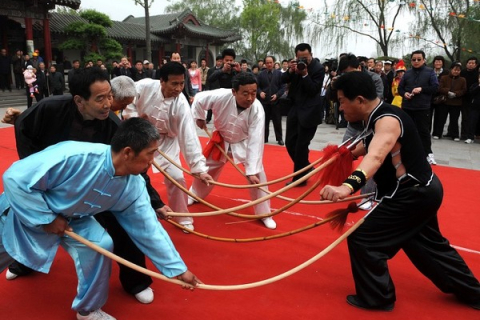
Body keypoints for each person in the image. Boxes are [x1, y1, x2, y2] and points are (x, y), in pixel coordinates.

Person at [0, 117, 201, 320]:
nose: (152, 162)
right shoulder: (73, 155)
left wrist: (178, 269)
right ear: (128, 152)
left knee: (101, 245)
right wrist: (46, 218)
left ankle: (88, 309)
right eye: (150, 154)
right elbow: (14, 178)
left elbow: (148, 229)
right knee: (4, 248)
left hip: (74, 218)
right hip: (27, 207)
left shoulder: (134, 186)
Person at [320, 71, 480, 312]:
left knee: (364, 239)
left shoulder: (387, 120)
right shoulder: (378, 115)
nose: (340, 108)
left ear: (360, 100)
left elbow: (376, 155)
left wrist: (347, 187)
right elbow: (370, 144)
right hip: (422, 191)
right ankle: (473, 293)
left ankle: (377, 298)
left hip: (412, 195)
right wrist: (345, 155)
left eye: (342, 101)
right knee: (427, 247)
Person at [6, 67, 166, 305]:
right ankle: (23, 262)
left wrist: (155, 201)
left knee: (123, 223)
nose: (108, 104)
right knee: (26, 220)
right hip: (48, 181)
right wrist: (35, 173)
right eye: (100, 98)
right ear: (79, 100)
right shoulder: (49, 107)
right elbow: (23, 128)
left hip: (96, 186)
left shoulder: (112, 125)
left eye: (110, 96)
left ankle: (136, 280)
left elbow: (133, 167)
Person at [124, 62, 213, 232]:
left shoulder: (181, 104)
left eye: (181, 83)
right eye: (174, 83)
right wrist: (134, 118)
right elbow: (127, 100)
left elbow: (189, 137)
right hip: (138, 136)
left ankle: (182, 217)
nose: (179, 88)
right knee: (129, 174)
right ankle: (127, 212)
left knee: (177, 177)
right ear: (162, 81)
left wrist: (199, 168)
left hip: (166, 142)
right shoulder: (144, 86)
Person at [189, 72, 276, 229]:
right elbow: (199, 99)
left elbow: (256, 141)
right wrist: (199, 116)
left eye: (253, 93)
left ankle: (264, 213)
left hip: (243, 143)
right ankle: (195, 193)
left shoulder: (257, 109)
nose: (250, 98)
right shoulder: (221, 96)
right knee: (206, 169)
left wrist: (251, 171)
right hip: (221, 139)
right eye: (245, 93)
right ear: (234, 91)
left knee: (257, 176)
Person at [281, 43, 325, 186]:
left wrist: (305, 74)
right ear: (296, 56)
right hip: (295, 108)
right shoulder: (294, 67)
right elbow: (282, 81)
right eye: (300, 58)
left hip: (310, 111)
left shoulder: (318, 68)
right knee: (289, 143)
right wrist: (290, 71)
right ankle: (306, 167)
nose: (303, 61)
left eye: (305, 58)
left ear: (311, 55)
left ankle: (299, 179)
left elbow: (314, 90)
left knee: (301, 145)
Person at [398, 50, 439, 165]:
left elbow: (435, 87)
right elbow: (400, 88)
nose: (416, 61)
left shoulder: (430, 72)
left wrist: (422, 89)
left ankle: (428, 154)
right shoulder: (407, 73)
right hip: (407, 106)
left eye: (419, 59)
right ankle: (406, 153)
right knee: (405, 131)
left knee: (423, 132)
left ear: (424, 60)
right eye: (414, 59)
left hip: (423, 107)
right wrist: (404, 94)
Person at [432, 63, 467, 140]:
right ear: (451, 69)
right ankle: (438, 134)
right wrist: (448, 92)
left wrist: (456, 94)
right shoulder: (444, 78)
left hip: (456, 103)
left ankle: (455, 135)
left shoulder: (462, 79)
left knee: (454, 120)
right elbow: (440, 88)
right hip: (444, 101)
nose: (456, 71)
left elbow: (464, 90)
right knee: (441, 119)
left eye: (458, 70)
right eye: (455, 69)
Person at [257, 55, 285, 145]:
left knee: (277, 121)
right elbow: (257, 86)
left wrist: (277, 95)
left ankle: (279, 138)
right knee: (264, 121)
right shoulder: (261, 74)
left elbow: (282, 87)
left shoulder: (279, 74)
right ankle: (264, 138)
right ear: (265, 64)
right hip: (264, 102)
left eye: (271, 62)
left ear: (273, 63)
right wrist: (260, 92)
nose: (269, 64)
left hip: (275, 102)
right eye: (267, 63)